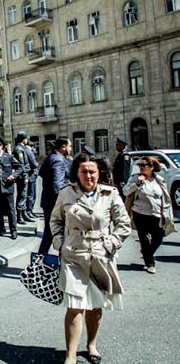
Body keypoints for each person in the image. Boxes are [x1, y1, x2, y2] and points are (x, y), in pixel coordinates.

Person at [51, 153, 131, 364]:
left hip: (100, 255)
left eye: (92, 171)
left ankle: (91, 345)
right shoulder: (66, 193)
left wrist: (110, 244)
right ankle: (71, 355)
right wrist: (60, 243)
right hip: (73, 255)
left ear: (99, 172)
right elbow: (55, 221)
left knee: (95, 305)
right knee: (74, 306)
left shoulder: (110, 194)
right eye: (84, 171)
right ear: (76, 173)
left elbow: (124, 224)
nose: (88, 176)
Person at [123, 156, 176, 274]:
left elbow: (165, 197)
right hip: (140, 213)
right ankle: (150, 264)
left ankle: (147, 253)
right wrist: (137, 183)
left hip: (157, 214)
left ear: (152, 167)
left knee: (158, 238)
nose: (141, 167)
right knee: (144, 238)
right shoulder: (135, 178)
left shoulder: (159, 179)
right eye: (140, 165)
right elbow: (125, 191)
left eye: (144, 165)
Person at [38, 137, 71, 254]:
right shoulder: (58, 160)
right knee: (58, 232)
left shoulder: (51, 157)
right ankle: (43, 258)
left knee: (49, 232)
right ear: (63, 147)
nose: (70, 149)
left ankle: (40, 258)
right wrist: (63, 203)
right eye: (70, 146)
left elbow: (41, 173)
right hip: (55, 204)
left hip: (48, 201)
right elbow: (57, 185)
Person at [0, 136, 22, 239]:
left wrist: (13, 176)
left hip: (7, 188)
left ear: (2, 146)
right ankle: (2, 229)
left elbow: (20, 168)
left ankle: (13, 230)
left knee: (11, 210)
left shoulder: (9, 157)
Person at [13, 131, 33, 225]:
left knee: (24, 195)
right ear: (24, 139)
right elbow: (22, 165)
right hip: (22, 176)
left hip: (22, 175)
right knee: (22, 195)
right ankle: (20, 216)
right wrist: (25, 176)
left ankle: (24, 214)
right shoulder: (19, 150)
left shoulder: (21, 148)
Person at [25, 141, 39, 220]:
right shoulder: (29, 152)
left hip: (29, 176)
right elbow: (34, 164)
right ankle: (29, 211)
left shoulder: (24, 151)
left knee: (30, 194)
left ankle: (29, 210)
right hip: (31, 176)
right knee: (31, 195)